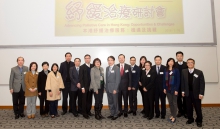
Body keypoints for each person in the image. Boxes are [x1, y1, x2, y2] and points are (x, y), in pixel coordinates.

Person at [182, 58, 205, 127]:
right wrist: (183, 91)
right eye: (188, 62)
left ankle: (199, 120)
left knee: (197, 108)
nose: (190, 64)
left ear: (194, 64)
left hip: (196, 94)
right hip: (187, 93)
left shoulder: (199, 72)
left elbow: (202, 84)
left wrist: (201, 93)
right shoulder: (184, 71)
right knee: (188, 107)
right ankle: (190, 119)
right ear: (187, 64)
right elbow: (182, 82)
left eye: (191, 62)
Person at [163, 58, 180, 124]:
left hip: (174, 89)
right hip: (167, 89)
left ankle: (174, 116)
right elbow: (164, 80)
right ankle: (172, 114)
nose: (170, 62)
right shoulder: (166, 70)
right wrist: (164, 88)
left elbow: (178, 80)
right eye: (169, 61)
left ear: (173, 63)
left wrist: (176, 89)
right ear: (167, 62)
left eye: (172, 61)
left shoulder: (176, 70)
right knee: (170, 102)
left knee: (174, 103)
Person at [106, 56, 121, 120]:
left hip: (114, 89)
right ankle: (112, 113)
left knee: (115, 102)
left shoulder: (117, 68)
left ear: (114, 61)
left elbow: (118, 79)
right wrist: (106, 87)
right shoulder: (107, 68)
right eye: (109, 60)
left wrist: (115, 89)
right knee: (110, 102)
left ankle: (115, 114)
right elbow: (107, 79)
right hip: (108, 88)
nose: (110, 61)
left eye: (111, 60)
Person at [79, 54, 94, 119]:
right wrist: (82, 87)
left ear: (90, 59)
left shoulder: (93, 66)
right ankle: (84, 113)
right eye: (86, 58)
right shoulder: (82, 67)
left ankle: (88, 111)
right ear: (84, 59)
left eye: (88, 58)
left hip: (91, 86)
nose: (87, 59)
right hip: (84, 87)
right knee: (84, 100)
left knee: (89, 100)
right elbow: (81, 78)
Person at [175, 51, 188, 118]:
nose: (179, 57)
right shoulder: (174, 64)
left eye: (181, 56)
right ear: (176, 57)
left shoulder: (186, 64)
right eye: (178, 56)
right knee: (178, 99)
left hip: (185, 85)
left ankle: (185, 111)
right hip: (177, 85)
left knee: (185, 99)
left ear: (183, 56)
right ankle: (180, 111)